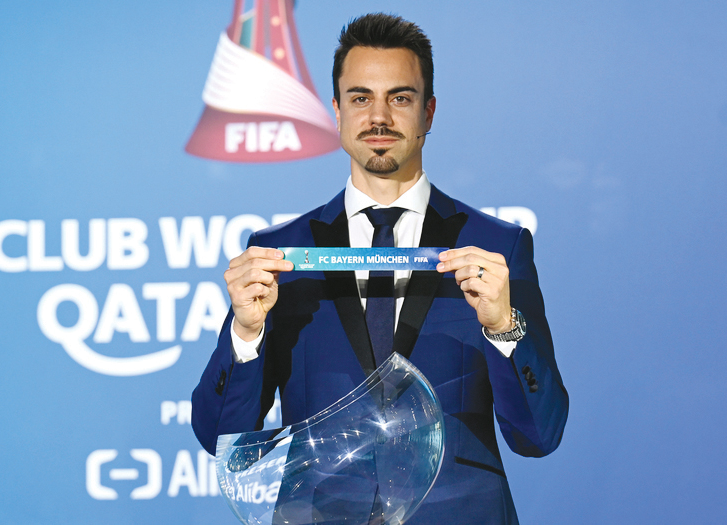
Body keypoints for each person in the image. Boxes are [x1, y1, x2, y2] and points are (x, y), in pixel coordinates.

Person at [192, 13, 568, 524]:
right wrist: (245, 334)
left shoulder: (497, 247)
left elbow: (539, 436)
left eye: (400, 98)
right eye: (360, 98)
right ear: (337, 111)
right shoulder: (279, 254)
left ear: (429, 112)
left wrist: (504, 328)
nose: (379, 118)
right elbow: (221, 437)